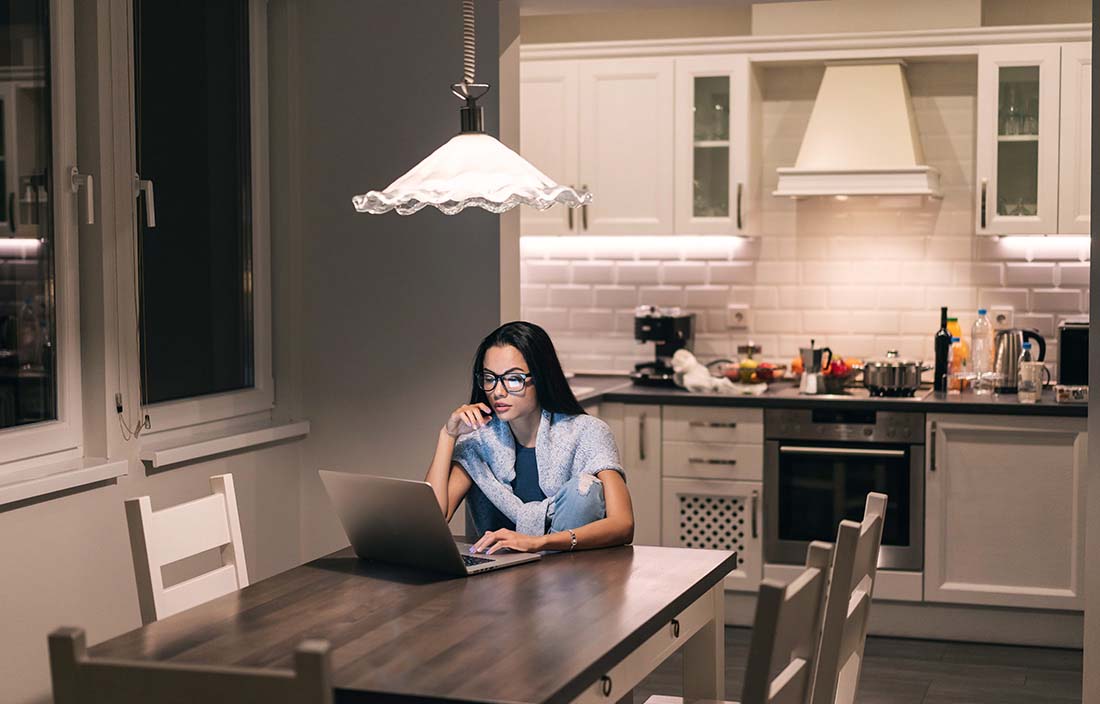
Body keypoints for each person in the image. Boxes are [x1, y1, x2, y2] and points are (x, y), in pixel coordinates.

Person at [424, 321, 634, 555]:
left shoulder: (588, 433)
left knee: (583, 491)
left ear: (541, 377)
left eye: (513, 379)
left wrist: (540, 542)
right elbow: (431, 522)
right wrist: (448, 435)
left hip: (573, 580)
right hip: (496, 581)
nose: (498, 391)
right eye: (490, 378)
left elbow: (623, 525)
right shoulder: (479, 441)